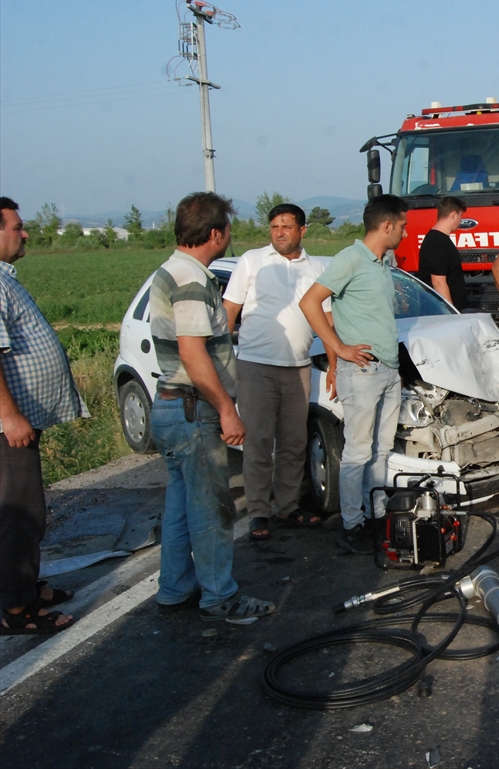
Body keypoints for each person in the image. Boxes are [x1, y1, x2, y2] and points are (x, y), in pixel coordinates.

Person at [149, 192, 275, 624]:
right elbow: (192, 352)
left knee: (182, 507)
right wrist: (226, 408)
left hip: (172, 407)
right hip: (192, 410)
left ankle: (175, 589)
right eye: (228, 230)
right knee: (212, 510)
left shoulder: (173, 270)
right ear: (216, 233)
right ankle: (220, 597)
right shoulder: (191, 279)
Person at [300, 195, 408, 555]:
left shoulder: (382, 262)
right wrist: (339, 349)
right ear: (387, 225)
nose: (406, 233)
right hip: (361, 372)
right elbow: (310, 303)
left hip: (388, 370)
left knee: (381, 451)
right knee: (357, 453)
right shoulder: (350, 258)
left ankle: (375, 515)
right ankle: (351, 524)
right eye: (403, 226)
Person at [0, 197, 83, 635]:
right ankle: (17, 610)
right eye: (16, 226)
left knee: (21, 510)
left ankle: (24, 589)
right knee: (19, 512)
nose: (25, 233)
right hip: (6, 426)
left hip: (14, 420)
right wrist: (9, 416)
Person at [222, 203, 325, 541]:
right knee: (258, 442)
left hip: (298, 367)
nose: (279, 232)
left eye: (286, 226)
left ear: (302, 230)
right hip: (256, 366)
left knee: (294, 442)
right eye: (274, 226)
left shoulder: (317, 268)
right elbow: (229, 312)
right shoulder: (252, 261)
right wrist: (221, 359)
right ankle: (258, 511)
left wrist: (337, 360)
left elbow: (327, 320)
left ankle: (288, 505)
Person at [418, 196, 467, 309]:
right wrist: (450, 313)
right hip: (442, 313)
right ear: (454, 215)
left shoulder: (439, 240)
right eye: (461, 216)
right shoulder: (437, 242)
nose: (460, 221)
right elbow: (438, 282)